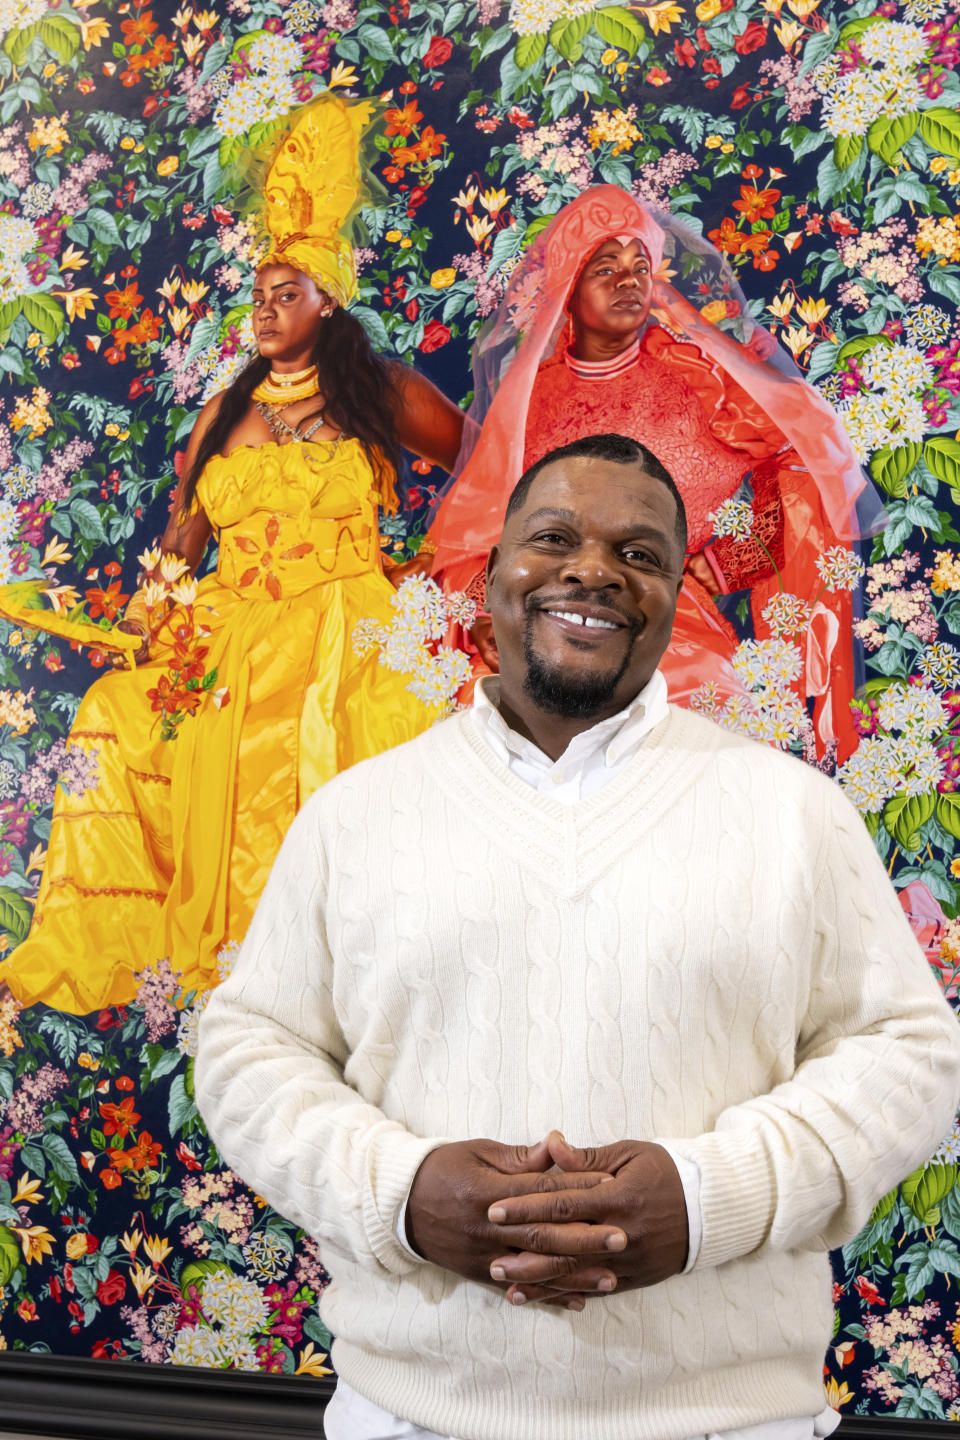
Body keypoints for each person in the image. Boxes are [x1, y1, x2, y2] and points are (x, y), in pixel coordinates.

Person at [195, 432, 960, 1440]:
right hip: (407, 1418)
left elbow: (907, 1056)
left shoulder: (794, 813)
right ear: (494, 570)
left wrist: (705, 1201)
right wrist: (403, 1192)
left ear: (675, 594)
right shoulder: (355, 814)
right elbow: (250, 1053)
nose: (592, 570)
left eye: (639, 554)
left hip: (730, 1425)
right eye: (553, 537)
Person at [0, 95, 464, 1014]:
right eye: (257, 296)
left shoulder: (385, 393)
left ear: (328, 305)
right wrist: (152, 625)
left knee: (392, 740)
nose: (262, 311)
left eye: (284, 295)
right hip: (231, 635)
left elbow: (490, 474)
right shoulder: (227, 411)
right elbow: (182, 538)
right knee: (116, 711)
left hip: (347, 629)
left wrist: (444, 577)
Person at [426, 186, 884, 764]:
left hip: (666, 623)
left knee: (695, 744)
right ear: (568, 285)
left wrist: (733, 557)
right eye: (606, 267)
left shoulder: (699, 377)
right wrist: (489, 617)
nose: (629, 281)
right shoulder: (528, 402)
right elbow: (477, 528)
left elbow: (806, 460)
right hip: (544, 622)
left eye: (640, 265)